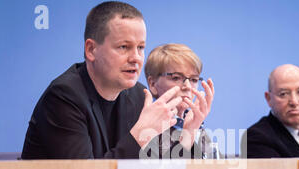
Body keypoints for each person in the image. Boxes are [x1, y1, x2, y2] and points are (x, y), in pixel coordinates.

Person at [21, 1, 187, 159]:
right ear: (91, 50)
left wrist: (189, 130)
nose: (136, 58)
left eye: (141, 47)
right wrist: (142, 133)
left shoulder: (139, 96)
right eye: (124, 47)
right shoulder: (63, 97)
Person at [144, 43, 216, 159]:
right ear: (153, 84)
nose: (187, 86)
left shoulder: (195, 122)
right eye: (176, 78)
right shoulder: (148, 128)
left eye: (193, 79)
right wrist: (188, 135)